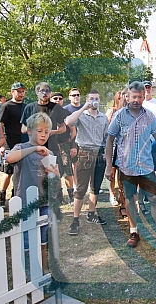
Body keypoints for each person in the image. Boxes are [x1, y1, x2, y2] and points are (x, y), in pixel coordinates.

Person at [104, 81, 156, 250]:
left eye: (140, 97)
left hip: (146, 167)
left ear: (143, 97)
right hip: (126, 167)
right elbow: (110, 139)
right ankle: (134, 232)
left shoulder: (149, 116)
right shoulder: (119, 116)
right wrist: (108, 165)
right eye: (134, 96)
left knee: (154, 199)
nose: (137, 100)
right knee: (129, 200)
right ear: (127, 97)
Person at [5, 112, 60, 269]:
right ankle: (27, 276)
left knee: (43, 242)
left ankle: (40, 273)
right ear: (29, 131)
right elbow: (10, 159)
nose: (43, 135)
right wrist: (35, 148)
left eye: (47, 132)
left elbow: (56, 178)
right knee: (27, 244)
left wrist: (54, 173)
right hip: (25, 203)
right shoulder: (21, 148)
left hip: (45, 202)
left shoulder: (49, 153)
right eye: (39, 131)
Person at [64, 89, 110, 235]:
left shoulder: (103, 117)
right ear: (87, 99)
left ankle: (91, 213)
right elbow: (68, 122)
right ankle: (75, 219)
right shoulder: (82, 115)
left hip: (99, 154)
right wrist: (84, 107)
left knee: (95, 187)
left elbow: (108, 138)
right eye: (91, 99)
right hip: (84, 153)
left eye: (96, 98)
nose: (94, 101)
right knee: (81, 189)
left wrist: (106, 155)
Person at [0, 82, 28, 207]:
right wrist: (2, 143)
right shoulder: (6, 106)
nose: (21, 94)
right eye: (18, 91)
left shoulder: (27, 107)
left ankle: (15, 196)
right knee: (8, 172)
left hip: (24, 143)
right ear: (12, 92)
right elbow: (0, 125)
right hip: (10, 143)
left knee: (21, 172)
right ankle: (1, 197)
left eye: (22, 91)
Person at [50, 92, 76, 205]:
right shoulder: (47, 113)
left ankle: (71, 197)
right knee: (55, 171)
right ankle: (59, 197)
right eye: (55, 98)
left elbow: (73, 131)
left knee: (67, 171)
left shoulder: (67, 113)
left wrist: (73, 145)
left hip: (65, 145)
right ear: (51, 100)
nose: (58, 100)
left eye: (60, 98)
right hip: (51, 146)